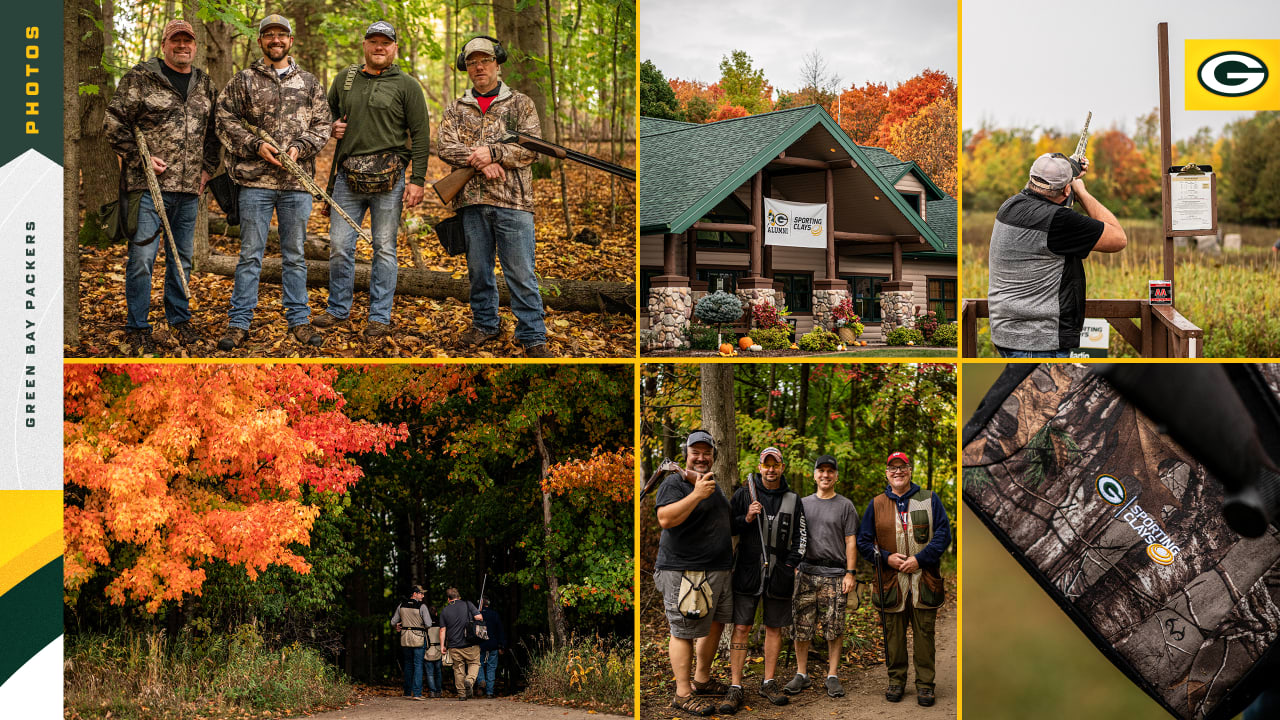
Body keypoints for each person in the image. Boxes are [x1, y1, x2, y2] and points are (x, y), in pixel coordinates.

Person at [214, 14, 331, 351]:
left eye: (282, 34)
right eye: (269, 35)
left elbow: (323, 124)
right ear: (261, 40)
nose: (276, 40)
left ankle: (299, 320)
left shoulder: (309, 83)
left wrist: (299, 147)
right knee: (250, 254)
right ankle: (239, 322)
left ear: (291, 41)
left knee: (294, 254)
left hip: (297, 186)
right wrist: (255, 145)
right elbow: (224, 118)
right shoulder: (243, 81)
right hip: (255, 184)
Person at [104, 18, 220, 355]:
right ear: (165, 44)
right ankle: (138, 327)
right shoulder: (141, 77)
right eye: (176, 41)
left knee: (181, 259)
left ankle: (179, 320)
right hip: (146, 188)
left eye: (188, 41)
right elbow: (113, 122)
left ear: (195, 46)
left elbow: (215, 133)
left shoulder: (204, 84)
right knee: (142, 258)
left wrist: (207, 171)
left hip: (189, 190)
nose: (182, 46)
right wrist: (141, 160)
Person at [311, 20, 430, 338]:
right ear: (364, 45)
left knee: (385, 249)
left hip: (390, 182)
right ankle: (338, 310)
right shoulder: (345, 79)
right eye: (374, 41)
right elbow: (323, 115)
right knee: (339, 247)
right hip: (347, 179)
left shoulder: (407, 85)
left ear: (394, 48)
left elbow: (420, 134)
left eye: (386, 42)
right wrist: (331, 126)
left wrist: (417, 179)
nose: (379, 47)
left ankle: (379, 316)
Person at [437, 36, 553, 358]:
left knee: (521, 271)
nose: (479, 67)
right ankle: (485, 325)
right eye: (472, 62)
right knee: (478, 271)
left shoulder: (521, 104)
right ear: (467, 68)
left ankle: (532, 335)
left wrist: (495, 153)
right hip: (471, 203)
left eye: (484, 60)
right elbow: (445, 147)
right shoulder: (455, 108)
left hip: (514, 203)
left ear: (497, 64)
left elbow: (533, 149)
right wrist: (480, 159)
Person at [986, 153, 1127, 358]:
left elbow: (1050, 195)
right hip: (1039, 342)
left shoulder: (1010, 206)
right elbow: (1118, 239)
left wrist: (1071, 171)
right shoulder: (1058, 221)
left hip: (1009, 334)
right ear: (1067, 189)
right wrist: (1082, 193)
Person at [857, 452, 952, 707]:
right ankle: (896, 681)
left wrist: (920, 560)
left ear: (910, 470)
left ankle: (925, 685)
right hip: (890, 583)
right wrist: (886, 558)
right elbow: (864, 542)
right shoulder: (876, 504)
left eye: (902, 467)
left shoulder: (929, 498)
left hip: (924, 581)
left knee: (924, 635)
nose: (897, 471)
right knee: (894, 636)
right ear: (886, 473)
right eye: (892, 468)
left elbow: (943, 535)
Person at [652, 429, 734, 716]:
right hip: (684, 571)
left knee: (715, 624)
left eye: (706, 452)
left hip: (716, 570)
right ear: (686, 454)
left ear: (713, 456)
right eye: (695, 452)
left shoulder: (712, 484)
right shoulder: (675, 482)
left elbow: (719, 522)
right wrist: (697, 494)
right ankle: (683, 693)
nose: (701, 457)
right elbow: (665, 518)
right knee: (683, 631)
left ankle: (701, 680)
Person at [721, 447, 806, 712]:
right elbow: (727, 527)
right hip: (747, 570)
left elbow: (801, 538)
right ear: (760, 467)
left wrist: (790, 564)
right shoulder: (745, 493)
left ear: (782, 467)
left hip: (779, 574)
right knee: (742, 627)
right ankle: (735, 686)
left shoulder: (794, 499)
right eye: (766, 464)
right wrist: (746, 517)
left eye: (775, 464)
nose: (771, 469)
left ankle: (768, 682)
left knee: (773, 628)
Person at [785, 455, 859, 700]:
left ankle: (832, 675)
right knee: (802, 625)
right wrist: (795, 565)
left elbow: (851, 541)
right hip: (806, 572)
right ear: (814, 474)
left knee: (834, 627)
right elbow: (794, 537)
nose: (825, 475)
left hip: (836, 575)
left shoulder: (845, 506)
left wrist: (850, 573)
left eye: (830, 471)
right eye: (821, 471)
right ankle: (801, 673)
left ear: (836, 476)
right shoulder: (802, 504)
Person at [439, 587, 485, 700]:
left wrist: (442, 646)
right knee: (474, 663)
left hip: (454, 645)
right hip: (470, 643)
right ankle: (469, 680)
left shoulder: (445, 611)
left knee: (458, 669)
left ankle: (462, 694)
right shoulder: (468, 604)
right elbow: (479, 617)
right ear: (459, 596)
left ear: (448, 599)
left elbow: (442, 630)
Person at [391, 585, 430, 700]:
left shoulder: (401, 605)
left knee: (408, 665)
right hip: (418, 637)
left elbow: (393, 622)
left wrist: (398, 625)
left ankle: (407, 692)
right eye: (421, 593)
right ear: (414, 594)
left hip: (405, 638)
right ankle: (417, 693)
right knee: (418, 665)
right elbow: (428, 624)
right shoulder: (422, 606)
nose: (423, 595)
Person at [477, 598, 506, 698]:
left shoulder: (477, 615)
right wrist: (501, 645)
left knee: (478, 664)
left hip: (480, 645)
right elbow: (500, 631)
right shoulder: (494, 614)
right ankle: (489, 692)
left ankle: (481, 680)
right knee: (491, 668)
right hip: (493, 644)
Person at [424, 605, 444, 698]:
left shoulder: (425, 624)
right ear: (436, 613)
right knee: (438, 672)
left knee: (430, 673)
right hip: (438, 650)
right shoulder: (441, 622)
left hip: (428, 650)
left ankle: (432, 691)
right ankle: (439, 691)